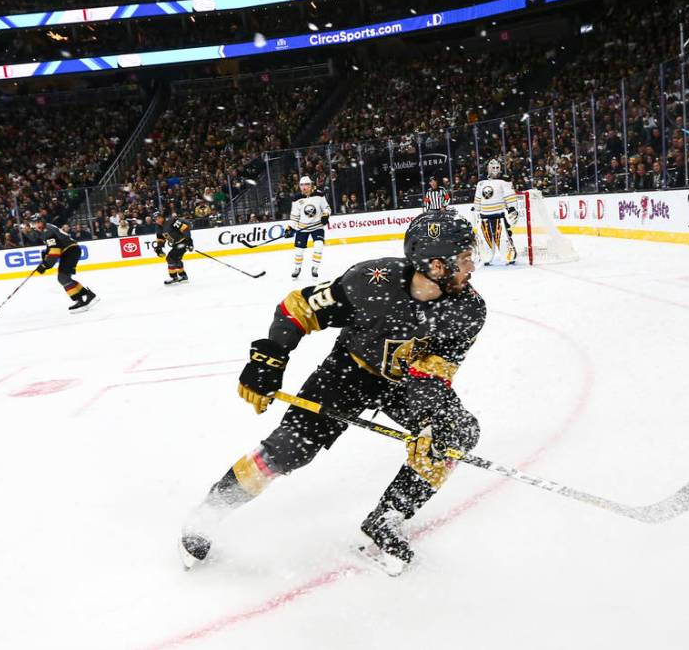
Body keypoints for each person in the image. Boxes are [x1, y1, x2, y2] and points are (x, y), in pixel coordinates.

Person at [178, 210, 485, 575]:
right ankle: (208, 513)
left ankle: (388, 517)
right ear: (435, 264)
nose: (472, 267)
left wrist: (428, 423)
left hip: (404, 384)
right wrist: (269, 360)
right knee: (289, 450)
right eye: (466, 258)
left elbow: (434, 373)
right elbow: (298, 308)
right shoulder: (371, 281)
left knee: (458, 432)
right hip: (347, 372)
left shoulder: (469, 310)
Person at [31, 213, 98, 312]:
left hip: (70, 251)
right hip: (70, 250)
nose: (34, 226)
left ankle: (81, 299)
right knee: (64, 278)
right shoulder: (47, 228)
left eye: (35, 223)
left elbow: (54, 251)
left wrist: (45, 265)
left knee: (63, 277)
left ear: (40, 222)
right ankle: (87, 296)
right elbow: (52, 247)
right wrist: (46, 256)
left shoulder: (47, 231)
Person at [285, 176, 331, 279]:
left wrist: (325, 215)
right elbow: (294, 216)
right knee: (299, 251)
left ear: (311, 186)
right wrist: (290, 228)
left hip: (317, 227)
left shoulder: (319, 195)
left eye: (306, 185)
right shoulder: (296, 199)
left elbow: (327, 208)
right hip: (303, 228)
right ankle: (297, 268)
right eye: (301, 185)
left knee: (319, 246)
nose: (304, 187)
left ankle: (315, 268)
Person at [472, 158, 517, 265]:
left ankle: (509, 256)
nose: (495, 170)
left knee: (503, 239)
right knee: (486, 242)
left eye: (497, 167)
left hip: (499, 216)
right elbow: (478, 199)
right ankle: (486, 258)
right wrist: (475, 210)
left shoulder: (504, 181)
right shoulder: (481, 183)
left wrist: (512, 208)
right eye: (493, 168)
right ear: (488, 169)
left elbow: (510, 197)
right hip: (484, 218)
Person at [152, 211, 194, 285]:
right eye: (156, 219)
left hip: (183, 242)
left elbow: (185, 228)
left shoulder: (171, 221)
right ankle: (183, 275)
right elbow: (161, 239)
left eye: (159, 218)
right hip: (176, 244)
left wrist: (189, 242)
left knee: (170, 258)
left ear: (163, 217)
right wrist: (159, 248)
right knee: (176, 259)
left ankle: (174, 277)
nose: (157, 220)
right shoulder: (158, 227)